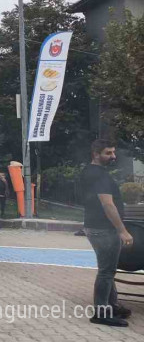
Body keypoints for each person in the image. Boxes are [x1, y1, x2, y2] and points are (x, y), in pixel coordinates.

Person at [82, 139, 133, 327]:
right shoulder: (100, 176)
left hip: (94, 226)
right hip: (104, 229)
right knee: (106, 272)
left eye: (113, 152)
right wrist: (123, 231)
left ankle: (112, 305)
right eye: (108, 153)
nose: (113, 156)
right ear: (96, 153)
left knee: (108, 270)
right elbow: (107, 204)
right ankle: (101, 313)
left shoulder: (89, 171)